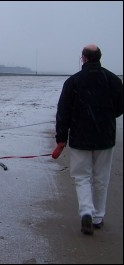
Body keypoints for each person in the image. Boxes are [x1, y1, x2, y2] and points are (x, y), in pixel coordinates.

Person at [55, 44, 123, 236]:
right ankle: (98, 216)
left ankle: (86, 210)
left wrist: (61, 137)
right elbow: (119, 108)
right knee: (101, 177)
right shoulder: (113, 80)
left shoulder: (73, 81)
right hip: (105, 136)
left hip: (80, 137)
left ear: (83, 58)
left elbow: (63, 112)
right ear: (98, 58)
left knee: (82, 176)